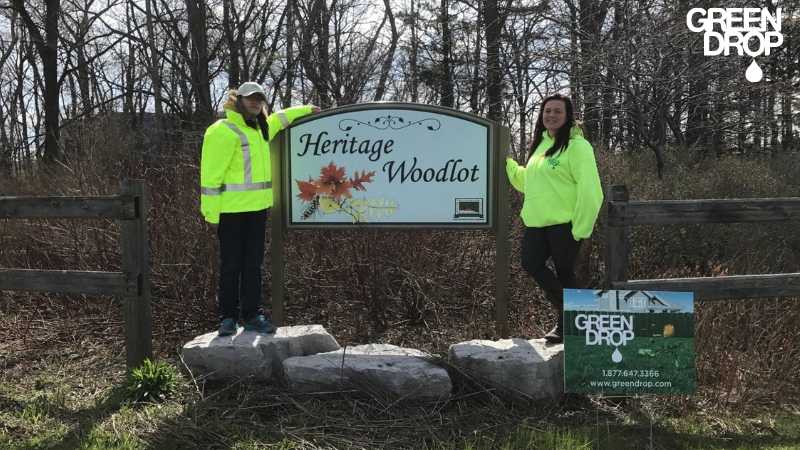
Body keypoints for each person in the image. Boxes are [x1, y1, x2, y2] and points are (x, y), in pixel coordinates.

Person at [200, 82, 321, 336]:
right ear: (238, 100)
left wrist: (308, 109)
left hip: (257, 210)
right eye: (250, 98)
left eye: (259, 99)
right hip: (231, 212)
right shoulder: (223, 130)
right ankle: (229, 318)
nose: (255, 102)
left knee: (253, 265)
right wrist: (211, 214)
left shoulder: (262, 128)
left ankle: (253, 314)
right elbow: (210, 177)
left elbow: (281, 117)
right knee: (231, 265)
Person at [506, 93, 603, 344]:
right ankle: (576, 313)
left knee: (564, 272)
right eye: (547, 111)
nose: (551, 115)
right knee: (530, 262)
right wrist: (507, 165)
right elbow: (530, 180)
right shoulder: (541, 145)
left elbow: (590, 188)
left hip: (566, 223)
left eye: (558, 111)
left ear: (568, 116)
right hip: (538, 222)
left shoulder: (577, 146)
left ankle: (565, 326)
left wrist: (581, 227)